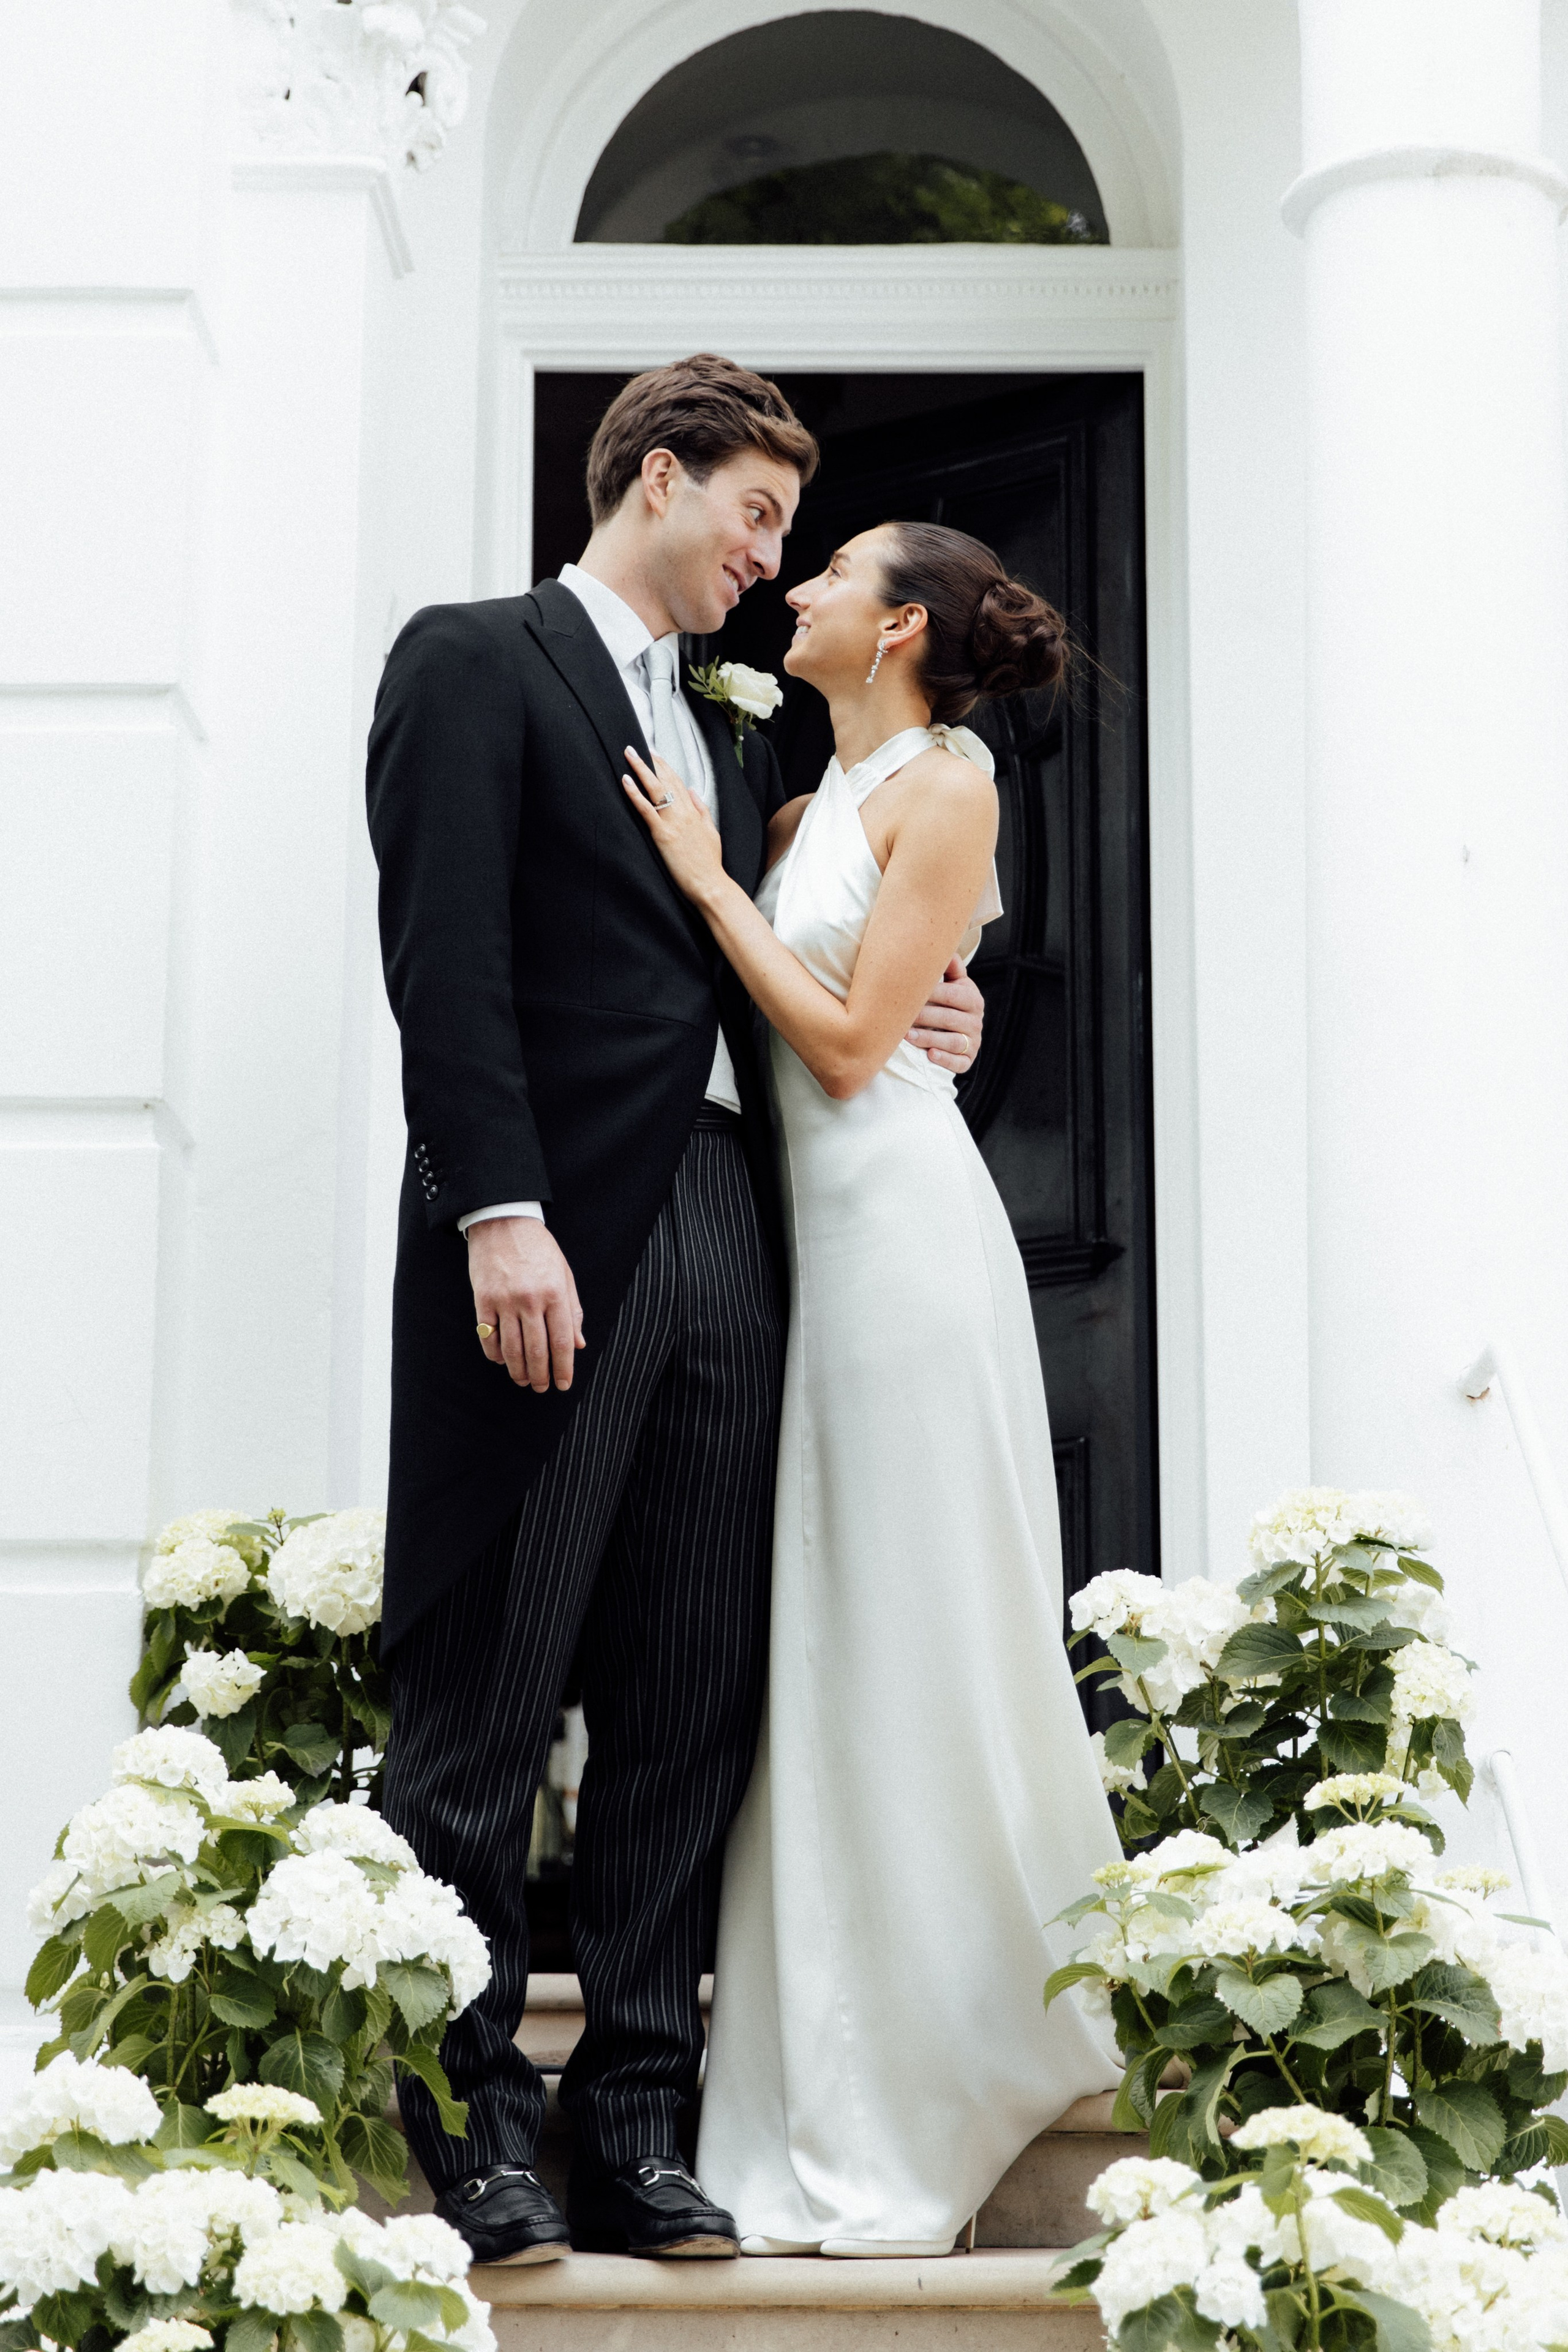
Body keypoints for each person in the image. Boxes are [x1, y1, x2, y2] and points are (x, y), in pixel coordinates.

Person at [364, 358, 986, 2266]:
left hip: (734, 1222)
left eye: (791, 535)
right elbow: (446, 957)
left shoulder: (731, 741)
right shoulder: (473, 658)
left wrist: (939, 1008)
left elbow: (797, 970)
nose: (768, 560)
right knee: (489, 1692)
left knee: (689, 1695)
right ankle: (475, 2127)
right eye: (756, 516)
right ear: (655, 477)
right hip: (554, 1222)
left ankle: (639, 2124)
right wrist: (500, 1211)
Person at [621, 519, 1123, 2257]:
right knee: (826, 1638)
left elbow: (846, 1051)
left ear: (902, 625)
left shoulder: (951, 784)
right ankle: (821, 2064)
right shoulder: (791, 815)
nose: (800, 587)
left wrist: (708, 889)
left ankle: (961, 2032)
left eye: (833, 570)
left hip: (902, 1247)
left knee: (908, 1616)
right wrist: (730, 876)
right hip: (801, 1253)